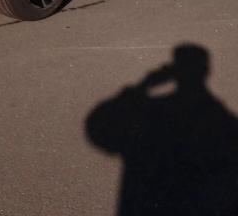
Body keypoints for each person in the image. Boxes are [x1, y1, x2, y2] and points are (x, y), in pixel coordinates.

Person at [86, 44, 238, 216]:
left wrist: (143, 86)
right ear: (206, 71)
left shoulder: (153, 111)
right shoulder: (225, 122)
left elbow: (98, 126)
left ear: (174, 73)